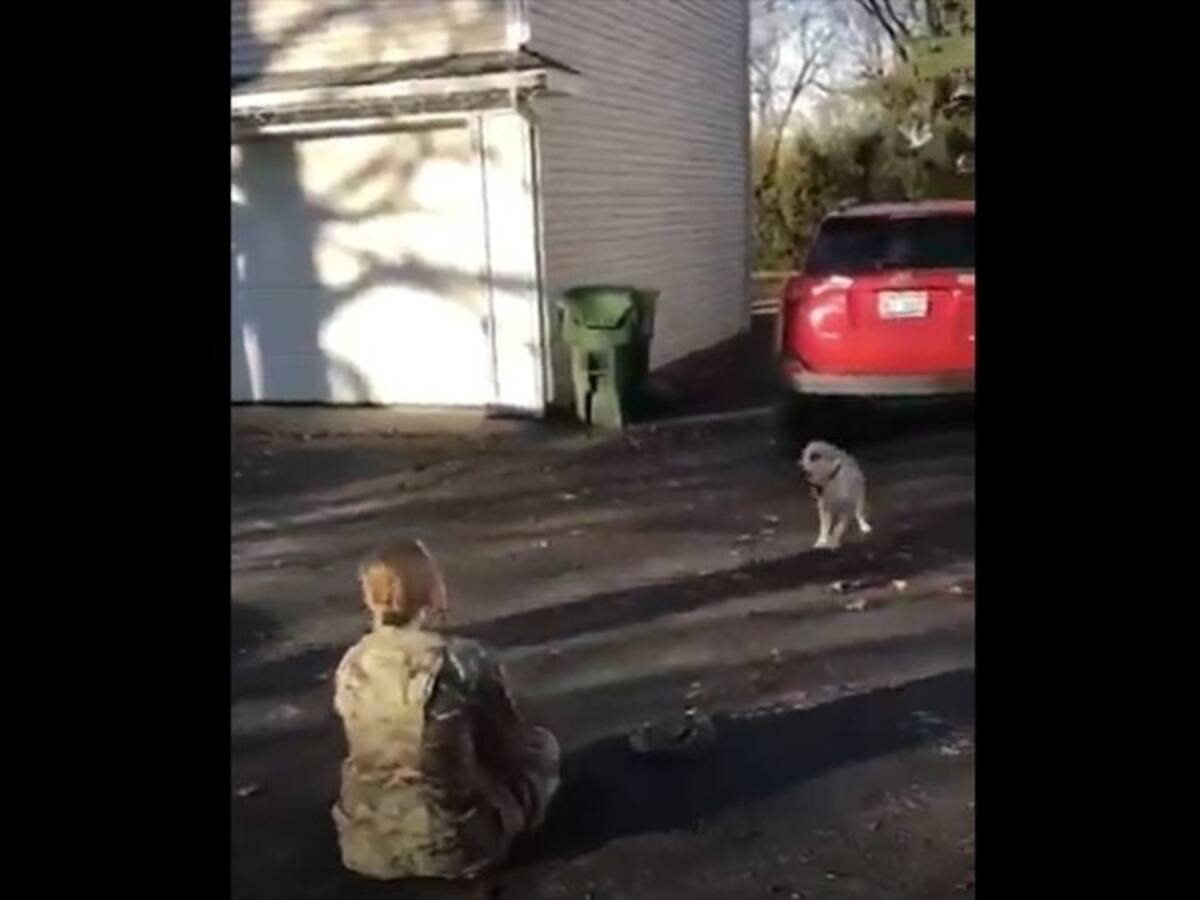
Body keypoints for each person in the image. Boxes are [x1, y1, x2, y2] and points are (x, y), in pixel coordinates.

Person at [331, 538, 559, 880]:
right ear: (431, 591)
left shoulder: (352, 663)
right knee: (542, 751)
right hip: (454, 845)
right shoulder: (461, 660)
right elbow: (508, 745)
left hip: (364, 842)